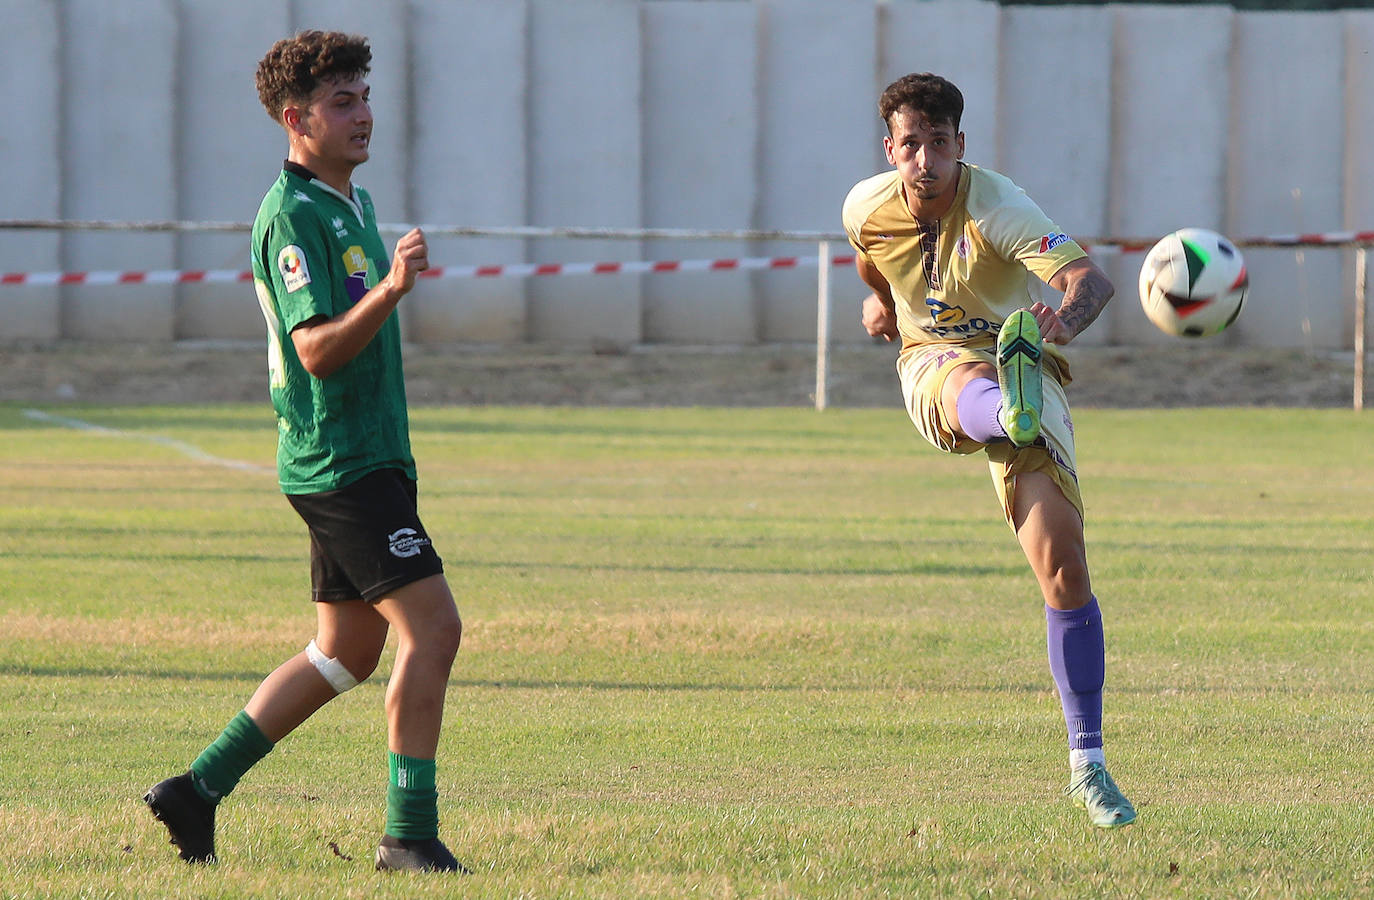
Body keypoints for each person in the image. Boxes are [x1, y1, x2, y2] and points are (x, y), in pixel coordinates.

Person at [144, 30, 467, 871]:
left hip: (370, 455)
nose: (364, 115)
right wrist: (394, 289)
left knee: (346, 651)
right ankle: (408, 834)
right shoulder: (291, 214)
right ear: (296, 119)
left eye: (364, 97)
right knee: (433, 630)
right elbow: (317, 348)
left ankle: (195, 790)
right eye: (342, 102)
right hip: (341, 463)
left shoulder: (349, 203)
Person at [842, 72, 1135, 828]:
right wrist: (881, 305)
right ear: (891, 150)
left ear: (960, 146)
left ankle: (1088, 767)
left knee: (1064, 565)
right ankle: (1006, 409)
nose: (926, 161)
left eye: (940, 144)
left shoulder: (1000, 207)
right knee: (967, 377)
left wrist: (1061, 323)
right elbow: (869, 256)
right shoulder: (865, 207)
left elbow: (1090, 283)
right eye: (912, 145)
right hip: (933, 368)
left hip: (1026, 364)